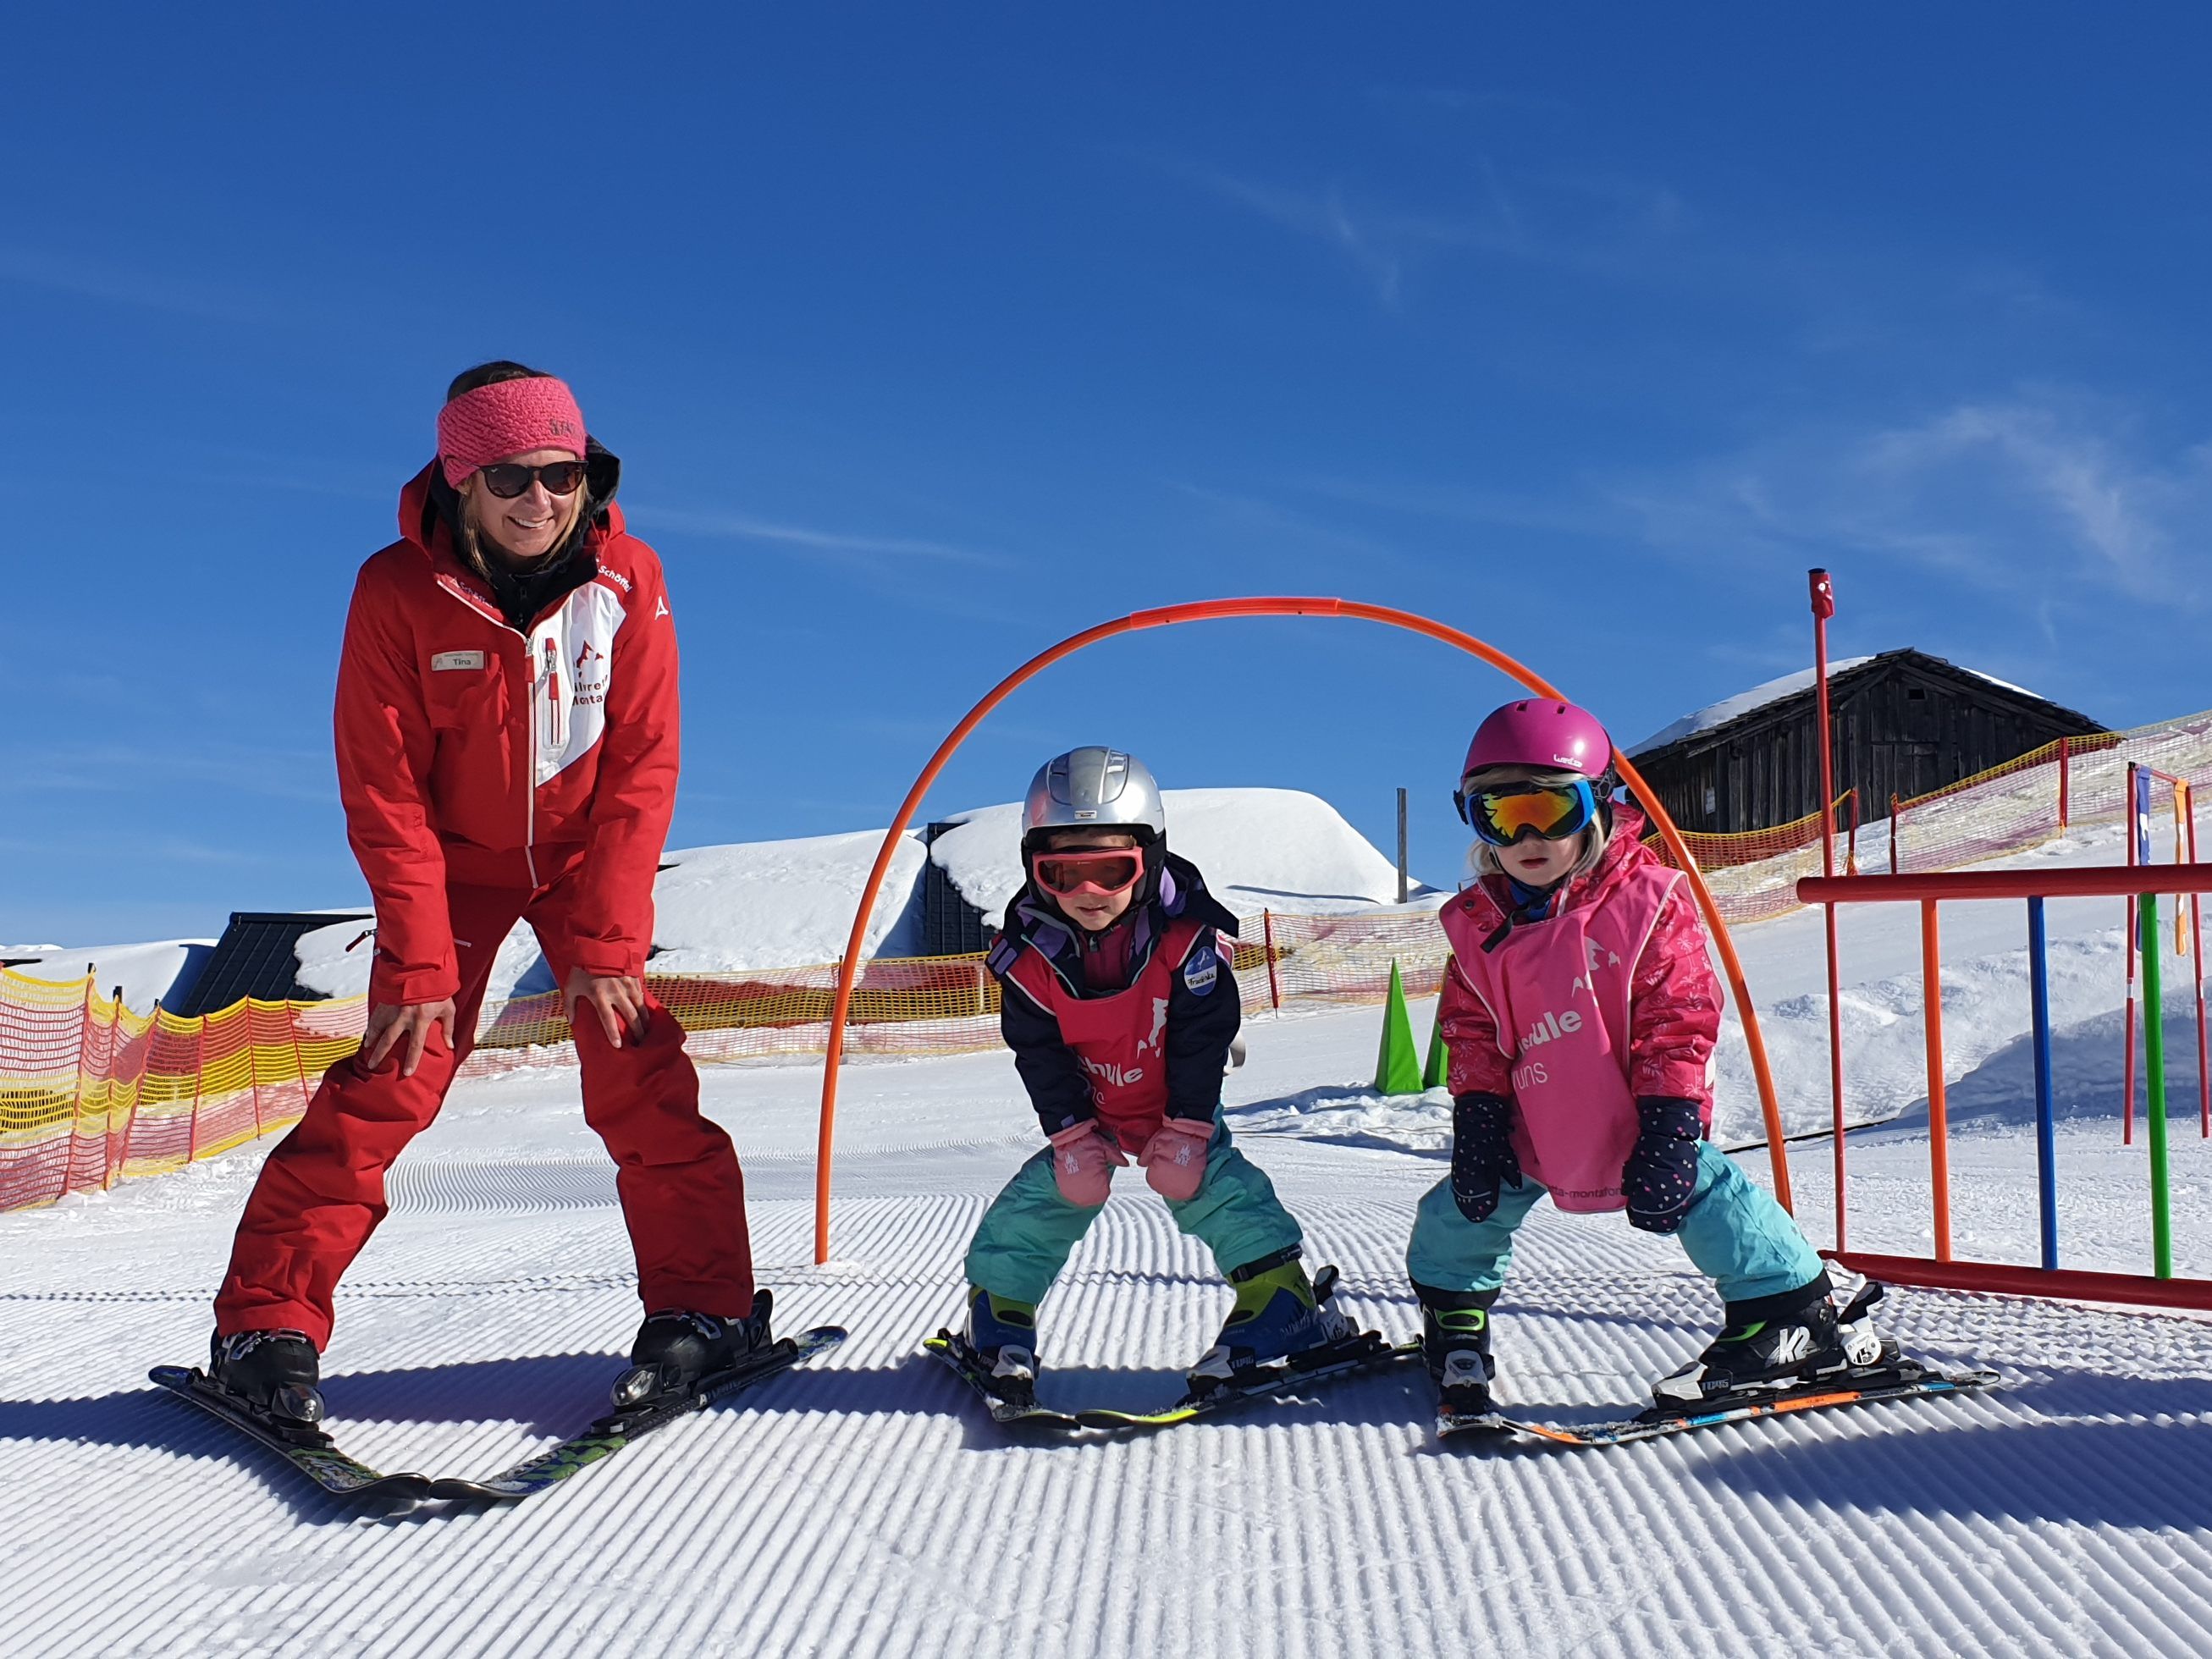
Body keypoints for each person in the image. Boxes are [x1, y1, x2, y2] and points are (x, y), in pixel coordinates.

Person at [206, 363, 760, 1427]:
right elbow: (382, 786)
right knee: (386, 1082)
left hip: (583, 855)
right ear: (463, 481)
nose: (541, 500)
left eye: (566, 474)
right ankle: (265, 1324)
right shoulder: (393, 590)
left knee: (639, 1071)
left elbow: (646, 764)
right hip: (449, 865)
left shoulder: (630, 581)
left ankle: (705, 1309)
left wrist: (606, 942)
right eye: (511, 476)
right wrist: (417, 958)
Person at [1407, 698, 1888, 1419]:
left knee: (1710, 1197)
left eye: (1550, 809)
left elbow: (1678, 1018)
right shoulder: (1478, 929)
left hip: (1637, 1109)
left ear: (1596, 805)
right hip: (1533, 1117)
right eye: (1502, 817)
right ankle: (1453, 1314)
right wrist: (1477, 1120)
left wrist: (1669, 1124)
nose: (1529, 836)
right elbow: (1471, 1031)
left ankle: (1790, 1310)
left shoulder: (1646, 902)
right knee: (1458, 1211)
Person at [948, 747, 1354, 1407]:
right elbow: (1037, 1051)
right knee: (1053, 1195)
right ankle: (999, 1309)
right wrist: (1070, 1132)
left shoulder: (1186, 939)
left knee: (1210, 1188)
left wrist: (1189, 1126)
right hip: (1093, 1105)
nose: (1087, 894)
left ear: (1150, 859)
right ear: (1033, 869)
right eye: (1061, 873)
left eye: (1111, 871)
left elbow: (1203, 1034)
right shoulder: (1025, 962)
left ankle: (1282, 1302)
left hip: (1174, 1100)